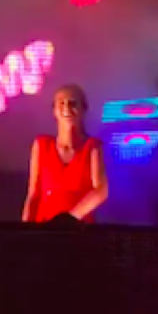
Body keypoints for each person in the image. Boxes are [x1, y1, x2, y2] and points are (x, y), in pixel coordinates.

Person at [22, 84, 108, 224]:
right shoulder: (42, 145)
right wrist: (24, 230)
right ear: (54, 111)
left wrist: (70, 219)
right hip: (45, 227)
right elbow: (33, 195)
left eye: (72, 103)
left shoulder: (92, 147)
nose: (66, 108)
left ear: (83, 109)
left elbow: (101, 191)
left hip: (79, 228)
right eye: (61, 103)